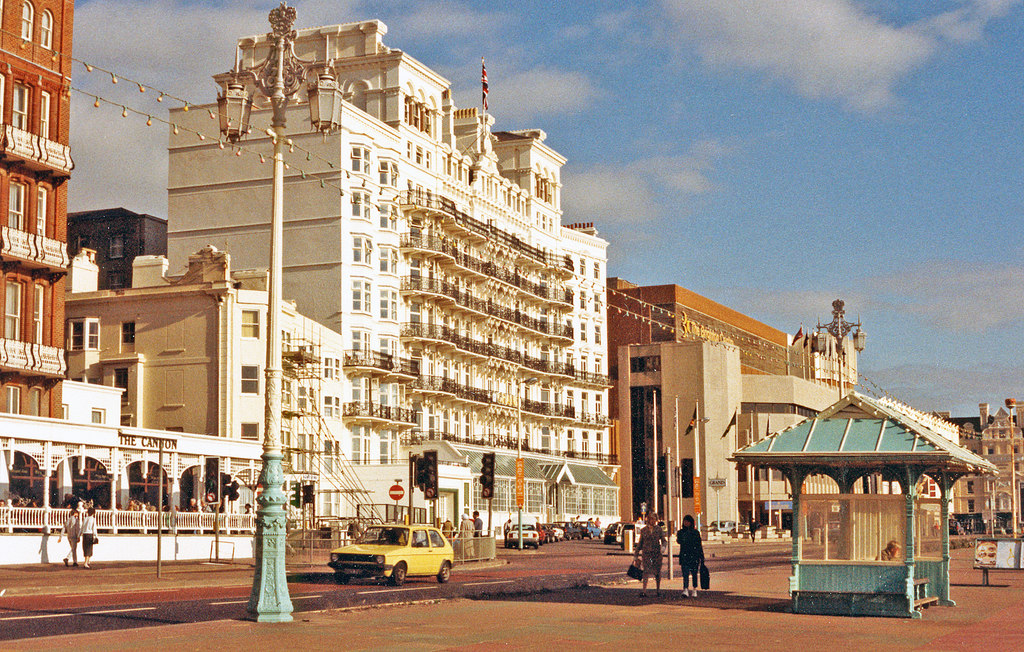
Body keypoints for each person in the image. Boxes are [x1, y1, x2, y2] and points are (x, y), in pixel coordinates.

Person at [635, 512, 666, 597]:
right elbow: (640, 543)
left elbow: (664, 541)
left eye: (653, 519)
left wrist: (663, 548)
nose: (651, 520)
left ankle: (658, 590)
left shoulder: (659, 529)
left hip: (656, 553)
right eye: (650, 518)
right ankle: (644, 590)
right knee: (646, 572)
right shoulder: (644, 530)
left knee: (657, 572)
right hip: (646, 553)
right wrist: (636, 556)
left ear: (656, 520)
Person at [677, 514, 704, 598]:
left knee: (694, 573)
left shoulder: (695, 532)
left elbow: (699, 545)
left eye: (688, 521)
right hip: (685, 555)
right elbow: (679, 541)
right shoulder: (681, 532)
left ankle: (694, 589)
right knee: (685, 573)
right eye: (685, 521)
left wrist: (701, 556)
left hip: (694, 556)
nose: (686, 523)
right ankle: (685, 589)